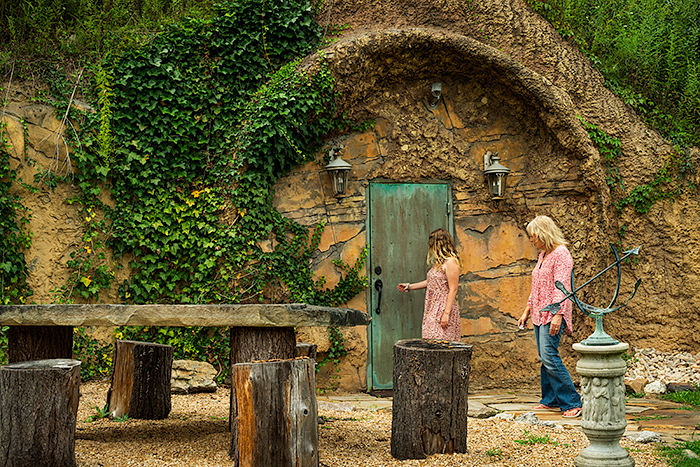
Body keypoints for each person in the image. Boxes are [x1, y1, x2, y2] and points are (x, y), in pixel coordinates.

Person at [518, 215, 582, 418]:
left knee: (549, 356)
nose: (530, 240)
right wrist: (527, 311)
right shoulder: (543, 255)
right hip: (538, 313)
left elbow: (562, 288)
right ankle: (550, 400)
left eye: (532, 236)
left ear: (543, 233)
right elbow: (537, 287)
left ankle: (572, 402)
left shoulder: (562, 254)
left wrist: (558, 315)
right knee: (544, 357)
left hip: (552, 314)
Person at [397, 228, 461, 342]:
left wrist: (446, 313)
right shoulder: (439, 262)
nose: (430, 247)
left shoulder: (451, 262)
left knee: (442, 343)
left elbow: (453, 289)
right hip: (433, 307)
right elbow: (432, 282)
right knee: (430, 342)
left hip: (443, 307)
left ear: (439, 243)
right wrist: (409, 286)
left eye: (432, 244)